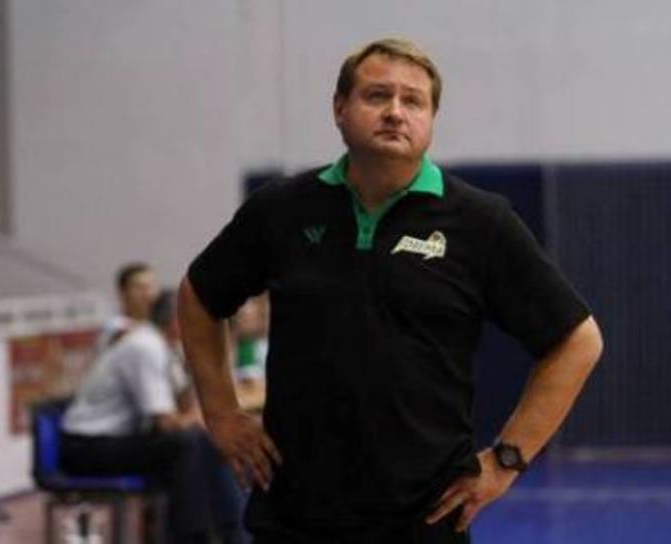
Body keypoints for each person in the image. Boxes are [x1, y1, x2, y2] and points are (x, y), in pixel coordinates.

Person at [178, 38, 604, 543]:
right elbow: (199, 297)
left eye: (413, 101)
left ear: (431, 119)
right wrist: (222, 415)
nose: (395, 112)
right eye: (377, 96)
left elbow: (578, 342)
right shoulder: (282, 208)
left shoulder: (480, 222)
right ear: (340, 108)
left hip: (422, 520)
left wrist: (507, 459)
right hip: (293, 516)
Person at [61, 290, 250, 544]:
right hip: (84, 447)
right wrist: (201, 420)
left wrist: (196, 364)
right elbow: (166, 422)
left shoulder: (165, 347)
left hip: (116, 439)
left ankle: (235, 531)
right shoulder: (145, 346)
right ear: (178, 321)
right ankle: (192, 537)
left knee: (205, 441)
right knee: (187, 443)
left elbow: (184, 405)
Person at [97, 262, 161, 350]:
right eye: (140, 288)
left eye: (151, 287)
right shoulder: (115, 327)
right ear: (123, 292)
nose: (148, 294)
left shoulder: (159, 326)